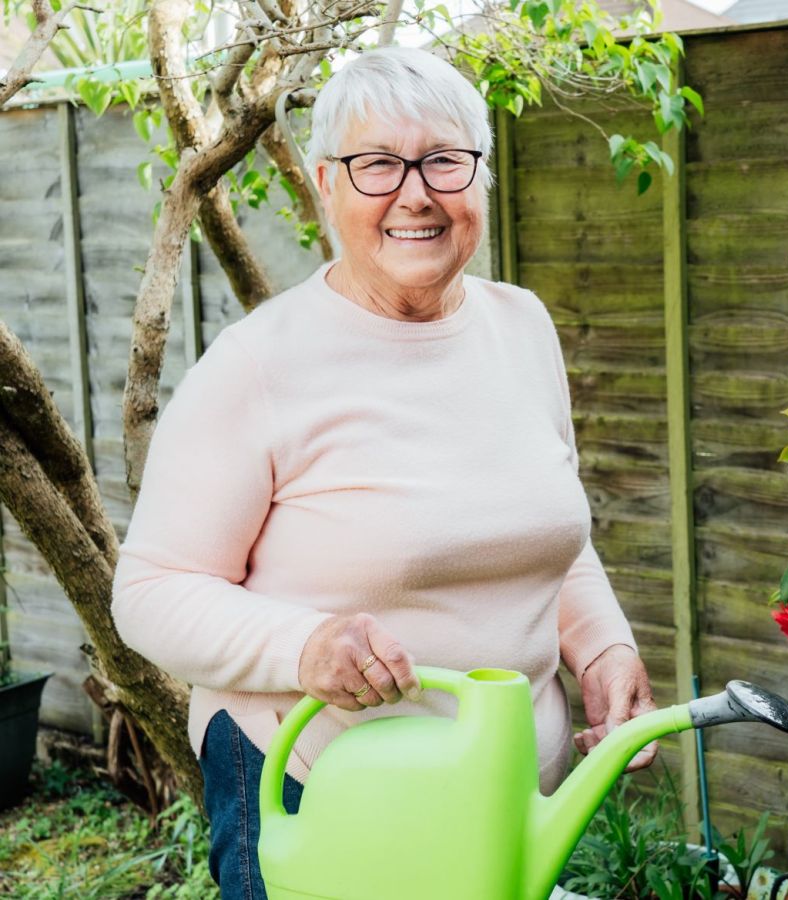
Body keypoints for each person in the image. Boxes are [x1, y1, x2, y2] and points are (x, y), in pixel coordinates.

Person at [111, 45, 657, 899]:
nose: (415, 193)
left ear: (480, 180)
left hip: (496, 795)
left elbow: (549, 528)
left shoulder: (523, 328)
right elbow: (149, 590)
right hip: (319, 788)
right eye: (377, 165)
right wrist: (305, 645)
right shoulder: (258, 366)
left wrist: (603, 647)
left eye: (444, 160)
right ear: (327, 184)